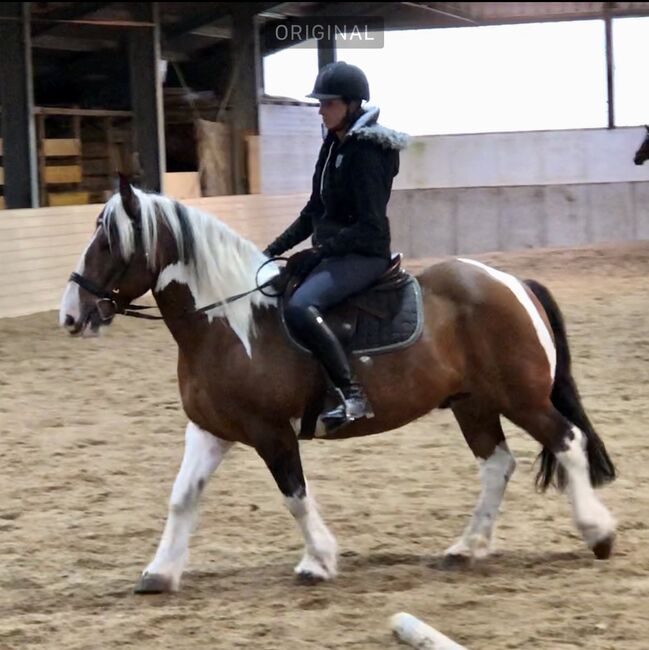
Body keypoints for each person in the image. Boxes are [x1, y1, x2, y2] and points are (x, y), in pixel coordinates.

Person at [263, 61, 409, 431]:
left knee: (301, 306)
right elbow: (314, 211)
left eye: (327, 103)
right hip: (336, 252)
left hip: (365, 254)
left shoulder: (367, 152)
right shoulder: (332, 145)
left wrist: (317, 253)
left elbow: (369, 225)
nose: (320, 110)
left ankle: (353, 395)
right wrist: (269, 251)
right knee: (272, 287)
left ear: (351, 104)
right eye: (320, 103)